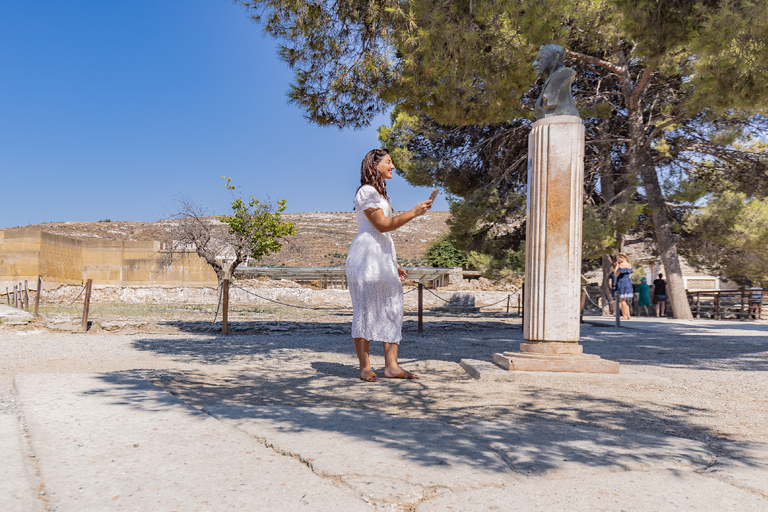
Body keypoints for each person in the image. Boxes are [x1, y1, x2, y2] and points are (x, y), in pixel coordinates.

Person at [345, 149, 433, 382]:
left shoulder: (380, 194)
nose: (393, 166)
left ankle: (392, 366)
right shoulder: (366, 191)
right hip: (365, 257)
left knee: (393, 305)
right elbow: (381, 225)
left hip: (383, 257)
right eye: (388, 162)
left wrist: (394, 263)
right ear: (374, 166)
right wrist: (413, 212)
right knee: (365, 308)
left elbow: (383, 235)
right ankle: (365, 367)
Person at [612, 252, 633, 320]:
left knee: (622, 300)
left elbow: (616, 274)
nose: (617, 260)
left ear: (622, 257)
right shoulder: (629, 265)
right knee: (625, 300)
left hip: (622, 282)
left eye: (618, 258)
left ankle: (624, 315)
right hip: (628, 282)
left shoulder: (622, 265)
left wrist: (617, 266)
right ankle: (628, 315)